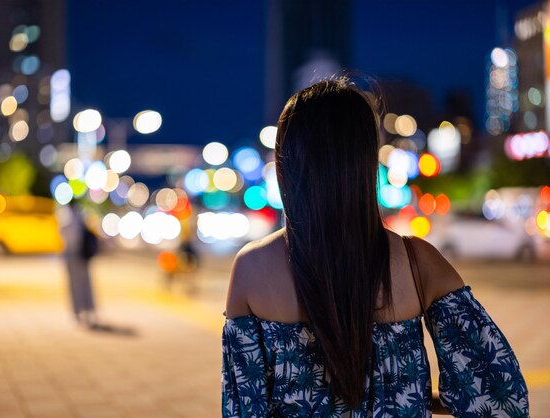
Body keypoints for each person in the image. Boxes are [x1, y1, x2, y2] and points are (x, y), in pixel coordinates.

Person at [222, 78, 529, 417]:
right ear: (366, 163)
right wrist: (414, 396)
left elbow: (242, 408)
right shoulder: (418, 263)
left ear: (287, 166)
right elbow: (503, 398)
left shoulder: (251, 270)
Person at [59, 200, 97, 327]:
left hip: (72, 256)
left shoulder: (65, 217)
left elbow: (63, 234)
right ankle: (88, 309)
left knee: (74, 286)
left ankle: (78, 310)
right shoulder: (82, 215)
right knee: (86, 284)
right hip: (83, 257)